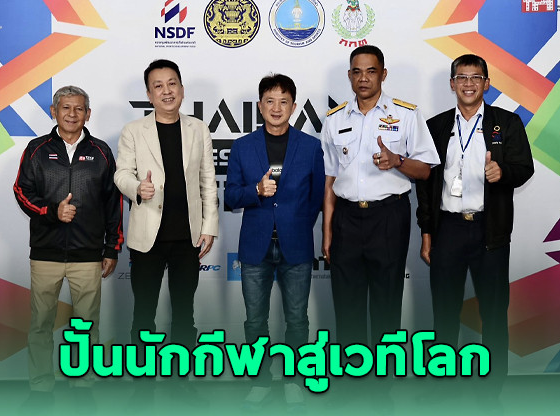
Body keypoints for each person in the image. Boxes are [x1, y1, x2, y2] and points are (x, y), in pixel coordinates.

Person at [416, 54, 534, 400]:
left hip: (489, 230)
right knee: (444, 314)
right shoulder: (436, 126)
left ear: (487, 83)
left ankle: (492, 391)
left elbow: (524, 167)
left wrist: (503, 172)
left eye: (476, 77)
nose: (468, 83)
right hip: (448, 230)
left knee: (494, 315)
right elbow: (425, 186)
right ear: (452, 83)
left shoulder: (506, 123)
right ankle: (442, 387)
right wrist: (427, 232)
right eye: (462, 77)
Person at [114, 59, 218, 404]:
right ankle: (142, 379)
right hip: (147, 238)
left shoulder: (198, 129)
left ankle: (179, 379)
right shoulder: (133, 130)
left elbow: (207, 181)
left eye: (172, 83)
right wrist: (137, 188)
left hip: (187, 237)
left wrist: (209, 226)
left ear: (182, 89)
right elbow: (121, 174)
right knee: (144, 311)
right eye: (158, 86)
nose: (166, 91)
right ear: (149, 94)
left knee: (184, 312)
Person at [321, 45, 440, 348]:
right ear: (350, 76)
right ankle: (352, 371)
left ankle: (384, 376)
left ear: (383, 74)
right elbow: (330, 179)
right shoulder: (334, 119)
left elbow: (425, 170)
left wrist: (397, 161)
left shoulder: (406, 114)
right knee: (347, 306)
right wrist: (327, 232)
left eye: (371, 71)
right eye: (357, 72)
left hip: (388, 217)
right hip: (346, 218)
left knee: (386, 304)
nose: (364, 78)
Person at [13, 85, 123, 409]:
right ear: (54, 111)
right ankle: (40, 388)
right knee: (41, 324)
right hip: (45, 254)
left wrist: (112, 248)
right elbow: (21, 191)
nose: (72, 114)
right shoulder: (36, 149)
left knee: (86, 326)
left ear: (88, 114)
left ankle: (83, 385)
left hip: (87, 255)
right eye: (65, 108)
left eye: (78, 109)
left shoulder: (101, 152)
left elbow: (113, 203)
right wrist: (51, 212)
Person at [225, 74, 325, 410]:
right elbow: (230, 196)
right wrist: (255, 190)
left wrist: (296, 225)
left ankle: (294, 379)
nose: (277, 108)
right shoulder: (243, 146)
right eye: (270, 101)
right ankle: (260, 380)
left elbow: (316, 197)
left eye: (284, 101)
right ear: (260, 106)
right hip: (256, 246)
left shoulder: (310, 146)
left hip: (296, 244)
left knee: (297, 319)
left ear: (294, 107)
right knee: (255, 321)